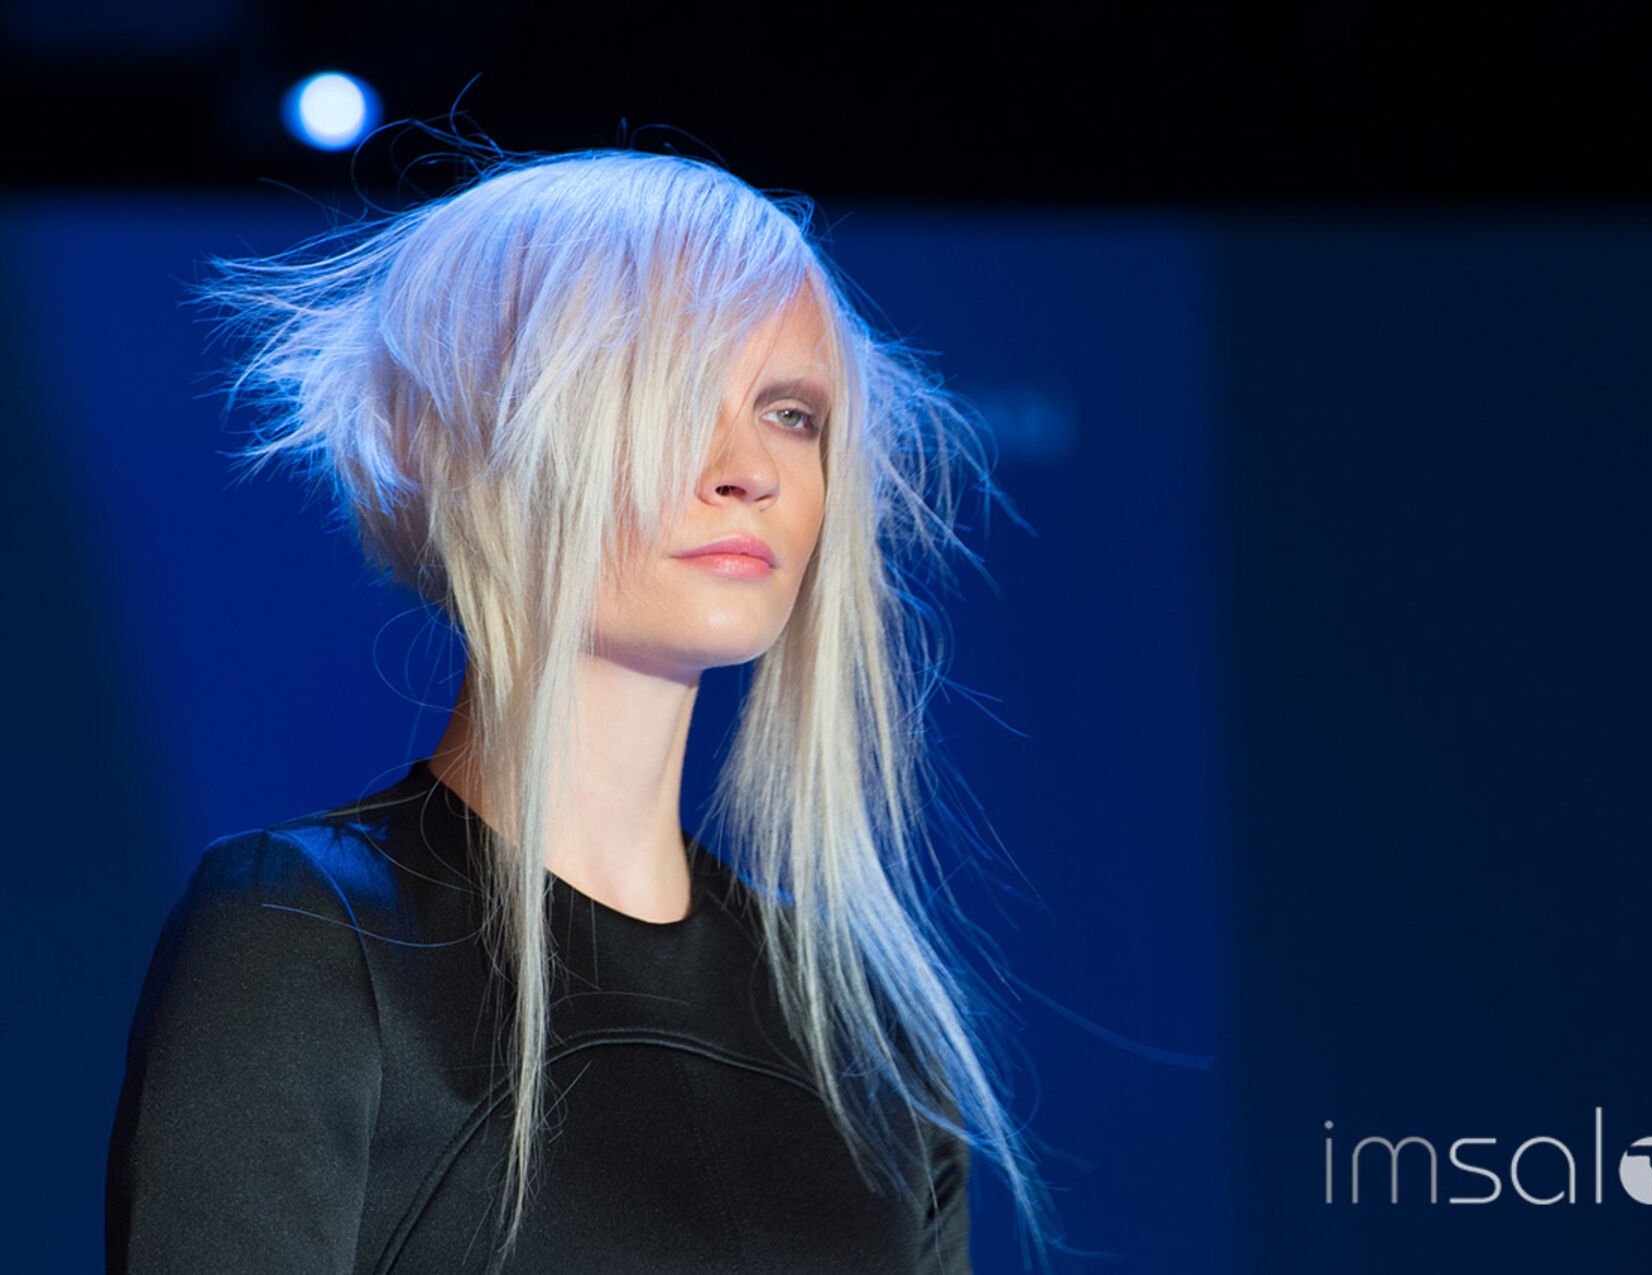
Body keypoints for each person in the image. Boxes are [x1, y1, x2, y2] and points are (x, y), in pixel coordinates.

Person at [105, 147, 1058, 1273]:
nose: (749, 468)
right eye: (670, 393)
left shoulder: (869, 1037)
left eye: (791, 412)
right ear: (483, 437)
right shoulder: (308, 941)